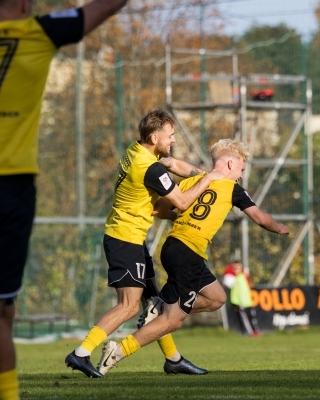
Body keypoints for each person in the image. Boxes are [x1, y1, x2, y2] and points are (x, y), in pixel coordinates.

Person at [0, 1, 130, 398]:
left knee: (1, 307)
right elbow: (100, 9)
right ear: (24, 4)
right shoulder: (37, 32)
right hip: (4, 187)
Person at [97, 139, 289, 374]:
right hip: (188, 252)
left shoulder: (194, 181)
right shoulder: (232, 189)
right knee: (172, 320)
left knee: (217, 298)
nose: (240, 175)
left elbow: (158, 209)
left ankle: (160, 308)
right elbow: (260, 218)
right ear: (230, 164)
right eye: (241, 168)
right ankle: (118, 351)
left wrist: (179, 216)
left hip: (175, 248)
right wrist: (279, 227)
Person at [64, 109, 223, 378]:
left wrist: (207, 173)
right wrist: (209, 180)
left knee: (154, 301)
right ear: (153, 137)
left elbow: (174, 169)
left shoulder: (139, 151)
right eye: (169, 136)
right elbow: (182, 202)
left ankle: (173, 359)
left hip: (131, 239)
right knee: (129, 306)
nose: (172, 140)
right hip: (124, 240)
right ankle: (81, 353)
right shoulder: (149, 168)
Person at [223, 260, 261, 337]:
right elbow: (228, 283)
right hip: (238, 301)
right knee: (244, 318)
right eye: (235, 268)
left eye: (238, 267)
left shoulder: (244, 275)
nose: (237, 269)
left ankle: (255, 331)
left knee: (251, 317)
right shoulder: (232, 278)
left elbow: (249, 284)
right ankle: (250, 333)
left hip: (247, 301)